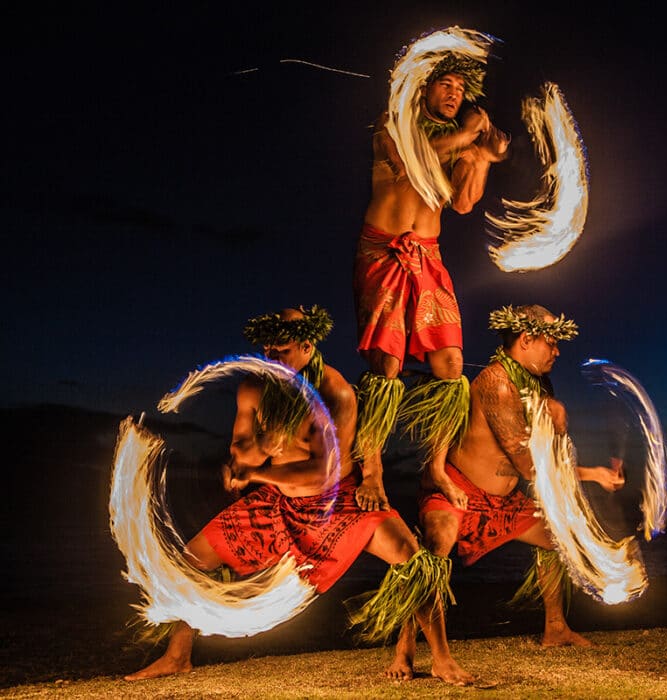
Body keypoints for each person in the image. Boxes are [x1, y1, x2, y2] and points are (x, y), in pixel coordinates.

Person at [124, 306, 474, 686]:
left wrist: (257, 471)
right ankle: (177, 656)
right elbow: (240, 449)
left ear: (307, 346)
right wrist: (260, 447)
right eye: (268, 351)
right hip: (279, 504)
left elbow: (321, 474)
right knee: (192, 560)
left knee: (414, 560)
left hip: (339, 504)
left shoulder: (334, 393)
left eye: (283, 351)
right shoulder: (254, 388)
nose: (272, 359)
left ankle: (441, 658)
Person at [386, 304, 626, 680]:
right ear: (526, 340)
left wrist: (556, 416)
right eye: (551, 342)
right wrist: (592, 474)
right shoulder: (498, 383)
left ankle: (555, 628)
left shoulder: (536, 384)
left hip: (502, 502)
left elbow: (543, 451)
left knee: (555, 538)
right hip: (458, 492)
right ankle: (418, 650)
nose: (558, 351)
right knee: (434, 555)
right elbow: (529, 466)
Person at [352, 46, 511, 513]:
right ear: (424, 87)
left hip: (430, 258)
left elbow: (462, 203)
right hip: (384, 252)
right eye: (447, 85)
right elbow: (410, 163)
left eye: (461, 90)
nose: (454, 94)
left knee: (451, 366)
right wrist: (469, 135)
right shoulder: (393, 125)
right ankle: (374, 470)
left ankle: (435, 467)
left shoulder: (457, 142)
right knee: (387, 366)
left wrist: (483, 157)